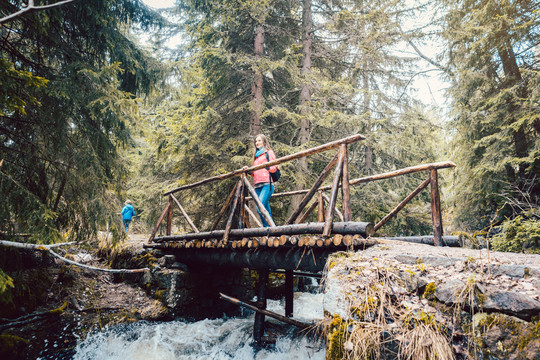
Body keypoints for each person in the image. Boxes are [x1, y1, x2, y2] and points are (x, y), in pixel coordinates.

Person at [249, 134, 278, 227]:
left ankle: (267, 228)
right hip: (257, 185)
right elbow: (255, 172)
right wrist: (249, 171)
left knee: (259, 208)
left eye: (259, 141)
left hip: (267, 184)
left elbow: (274, 168)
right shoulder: (256, 156)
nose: (257, 143)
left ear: (264, 142)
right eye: (256, 141)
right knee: (265, 208)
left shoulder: (269, 153)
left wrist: (267, 166)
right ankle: (273, 228)